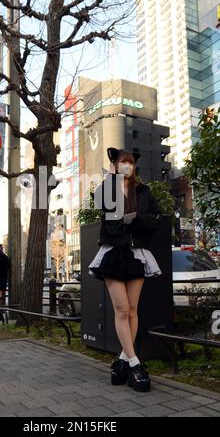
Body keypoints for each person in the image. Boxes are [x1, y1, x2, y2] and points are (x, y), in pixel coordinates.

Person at [88, 148, 162, 393]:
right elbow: (97, 200)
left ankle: (122, 361)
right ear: (115, 165)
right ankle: (135, 363)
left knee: (132, 310)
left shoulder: (143, 191)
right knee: (121, 310)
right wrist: (111, 177)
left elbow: (156, 218)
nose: (127, 166)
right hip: (112, 253)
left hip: (136, 253)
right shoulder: (109, 188)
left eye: (130, 163)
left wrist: (137, 218)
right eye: (123, 162)